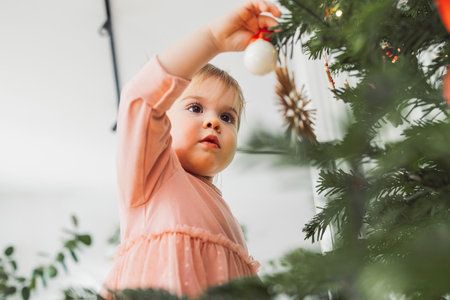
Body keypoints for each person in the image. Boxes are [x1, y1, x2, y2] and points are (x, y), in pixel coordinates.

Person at [102, 1, 281, 298]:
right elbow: (141, 97)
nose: (214, 122)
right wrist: (212, 39)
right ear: (162, 123)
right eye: (195, 107)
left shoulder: (225, 217)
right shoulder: (153, 175)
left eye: (227, 117)